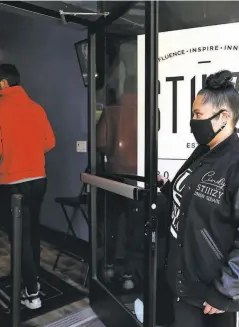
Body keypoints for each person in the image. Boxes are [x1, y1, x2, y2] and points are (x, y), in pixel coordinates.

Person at [157, 70, 239, 327]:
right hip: (183, 284)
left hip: (214, 296)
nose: (193, 121)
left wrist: (225, 291)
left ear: (224, 117)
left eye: (198, 115)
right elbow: (191, 203)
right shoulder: (203, 154)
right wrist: (169, 188)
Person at [0, 64, 55, 310]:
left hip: (13, 182)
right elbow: (50, 141)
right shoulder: (36, 108)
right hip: (39, 179)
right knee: (32, 232)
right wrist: (30, 152)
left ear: (3, 83)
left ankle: (32, 293)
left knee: (19, 238)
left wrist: (12, 155)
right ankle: (32, 281)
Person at [96, 76, 140, 290]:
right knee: (135, 227)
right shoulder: (149, 111)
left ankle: (110, 266)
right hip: (140, 177)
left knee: (112, 223)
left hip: (114, 175)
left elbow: (101, 143)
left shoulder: (111, 111)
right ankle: (129, 275)